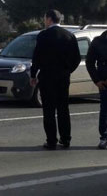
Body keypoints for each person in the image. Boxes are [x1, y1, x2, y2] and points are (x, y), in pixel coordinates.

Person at [30, 9, 81, 150]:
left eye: (45, 18)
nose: (44, 21)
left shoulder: (43, 36)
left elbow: (37, 57)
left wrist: (33, 75)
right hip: (63, 77)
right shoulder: (69, 36)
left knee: (49, 110)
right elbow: (76, 58)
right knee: (63, 109)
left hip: (47, 77)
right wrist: (67, 70)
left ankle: (51, 140)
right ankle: (66, 139)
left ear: (49, 19)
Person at [86, 29, 107, 149]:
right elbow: (90, 62)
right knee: (105, 109)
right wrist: (97, 80)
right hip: (103, 82)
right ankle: (104, 137)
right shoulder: (98, 42)